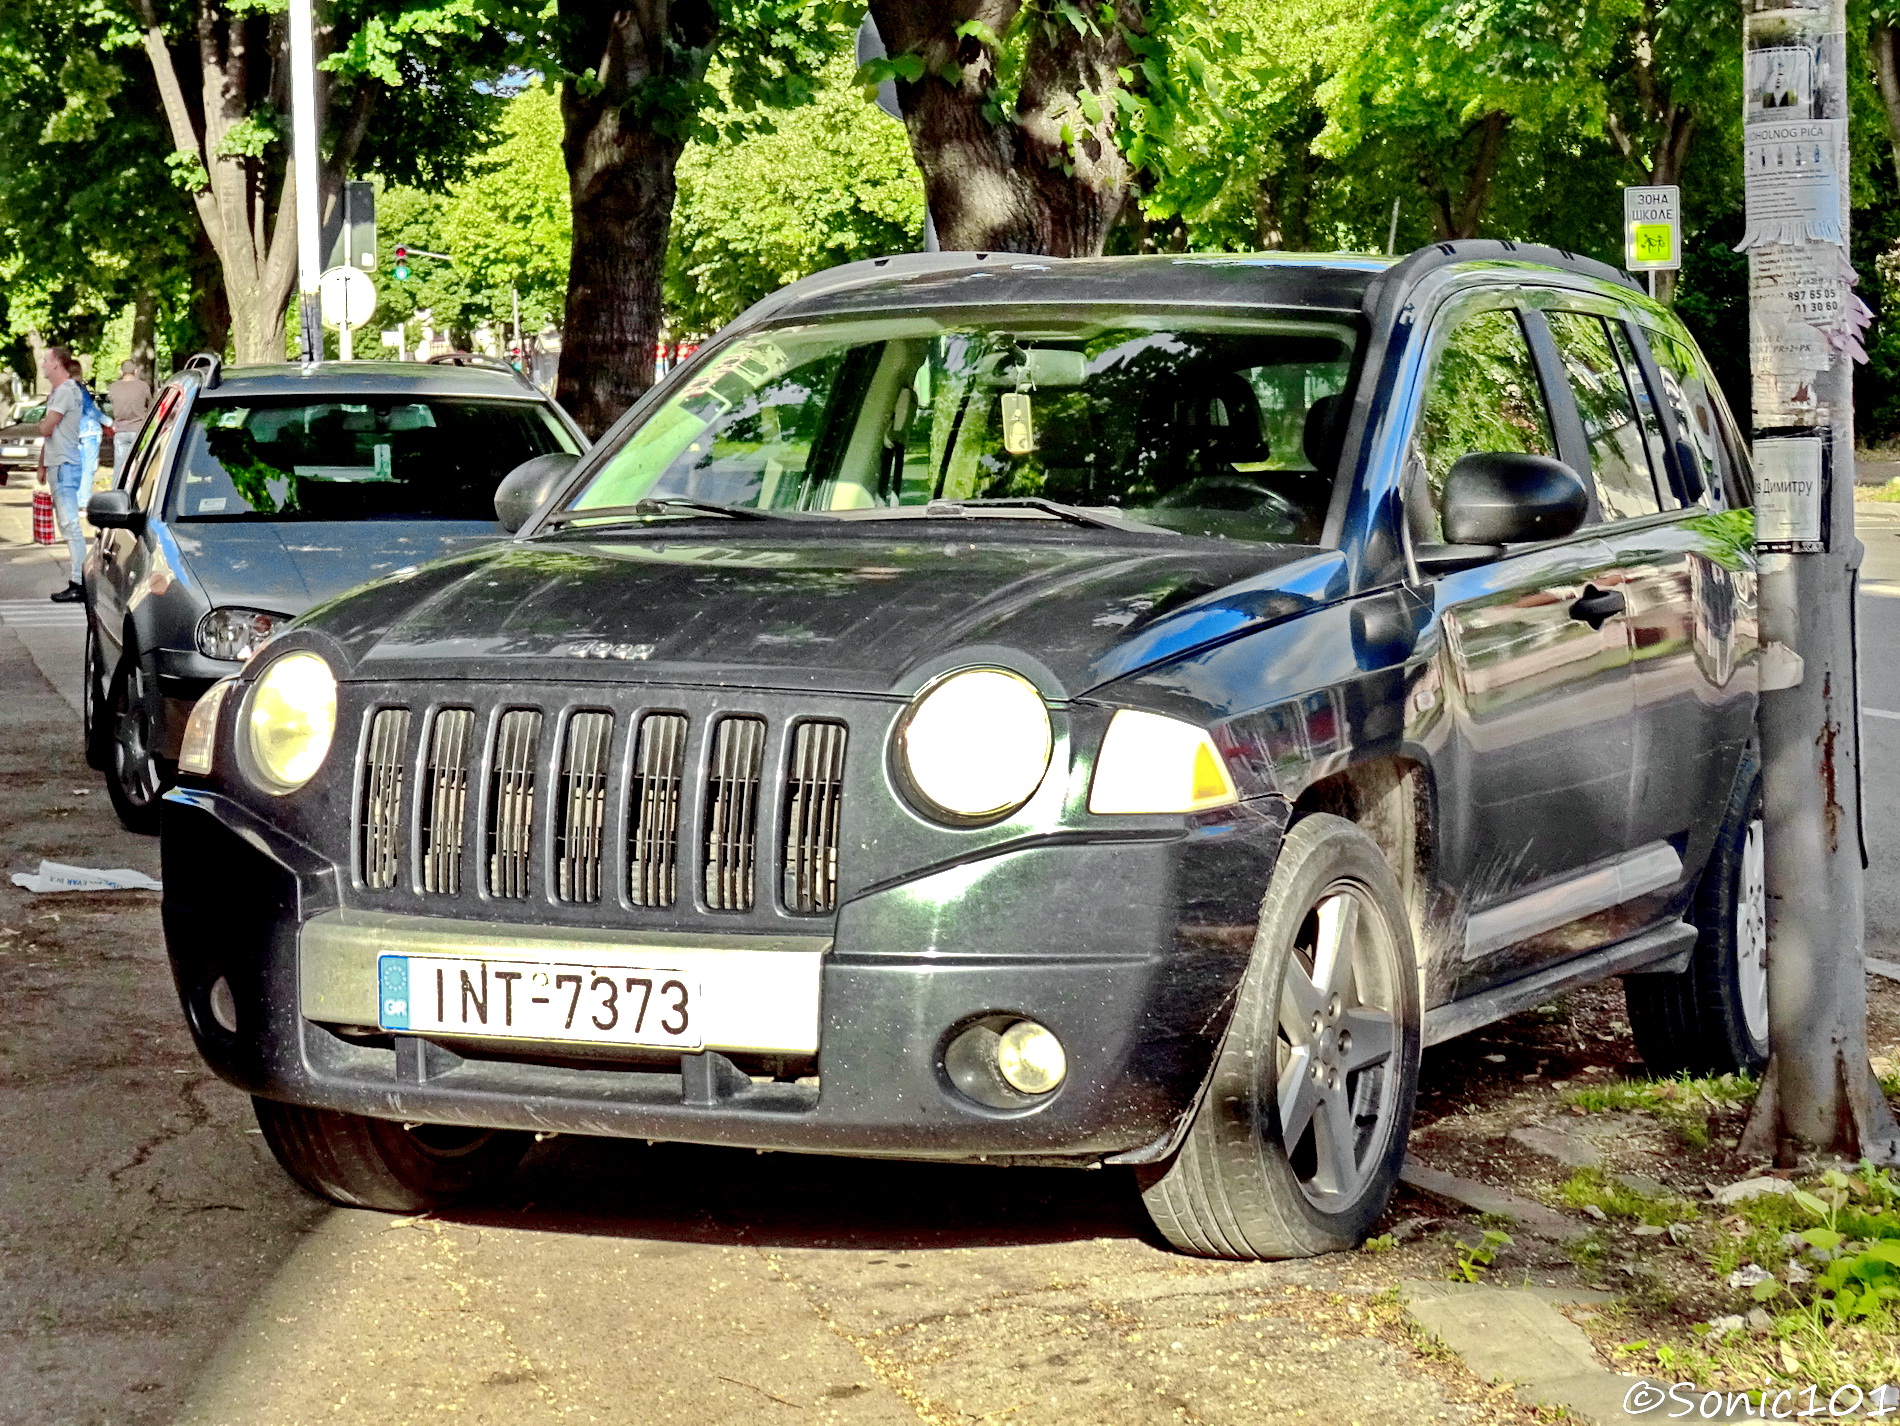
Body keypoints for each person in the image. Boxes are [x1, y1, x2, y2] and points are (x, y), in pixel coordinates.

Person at [37, 347, 107, 603]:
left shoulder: (66, 391)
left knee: (70, 526)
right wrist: (42, 462)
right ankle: (80, 579)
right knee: (68, 525)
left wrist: (41, 426)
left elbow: (47, 427)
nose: (42, 364)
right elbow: (51, 432)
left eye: (46, 360)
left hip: (65, 465)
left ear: (57, 364)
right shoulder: (64, 391)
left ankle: (79, 581)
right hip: (62, 463)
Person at [106, 360, 152, 479]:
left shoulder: (113, 387)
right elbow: (151, 404)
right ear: (136, 371)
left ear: (121, 372)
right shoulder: (143, 386)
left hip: (121, 431)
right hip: (139, 430)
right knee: (142, 465)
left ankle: (117, 491)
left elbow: (112, 404)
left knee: (120, 467)